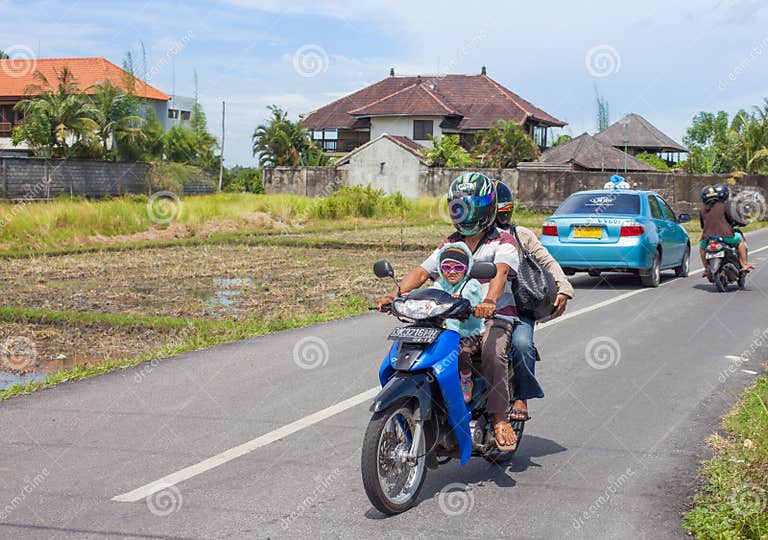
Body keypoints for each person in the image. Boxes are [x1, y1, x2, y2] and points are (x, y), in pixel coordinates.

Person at [377, 173, 521, 451]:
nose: (464, 214)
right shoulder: (450, 244)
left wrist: (489, 302)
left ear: (486, 208)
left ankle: (500, 417)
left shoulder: (503, 241)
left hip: (494, 316)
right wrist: (395, 296)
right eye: (458, 207)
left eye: (471, 207)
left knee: (494, 351)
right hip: (452, 316)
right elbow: (422, 272)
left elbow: (500, 273)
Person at [494, 181, 574, 422]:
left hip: (517, 308)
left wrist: (564, 288)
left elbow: (548, 262)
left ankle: (521, 396)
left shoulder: (521, 235)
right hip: (476, 311)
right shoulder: (471, 238)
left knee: (521, 345)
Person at [429, 243, 484, 403]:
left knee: (461, 352)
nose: (452, 272)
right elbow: (432, 295)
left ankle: (466, 380)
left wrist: (460, 300)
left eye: (458, 268)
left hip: (469, 333)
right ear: (440, 269)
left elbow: (470, 298)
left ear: (466, 269)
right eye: (446, 267)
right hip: (444, 333)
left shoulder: (471, 284)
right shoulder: (439, 285)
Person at [699, 183, 752, 277]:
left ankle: (706, 269)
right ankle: (744, 264)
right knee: (740, 240)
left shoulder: (702, 210)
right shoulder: (725, 206)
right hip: (725, 236)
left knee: (702, 248)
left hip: (707, 239)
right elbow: (731, 219)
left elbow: (702, 226)